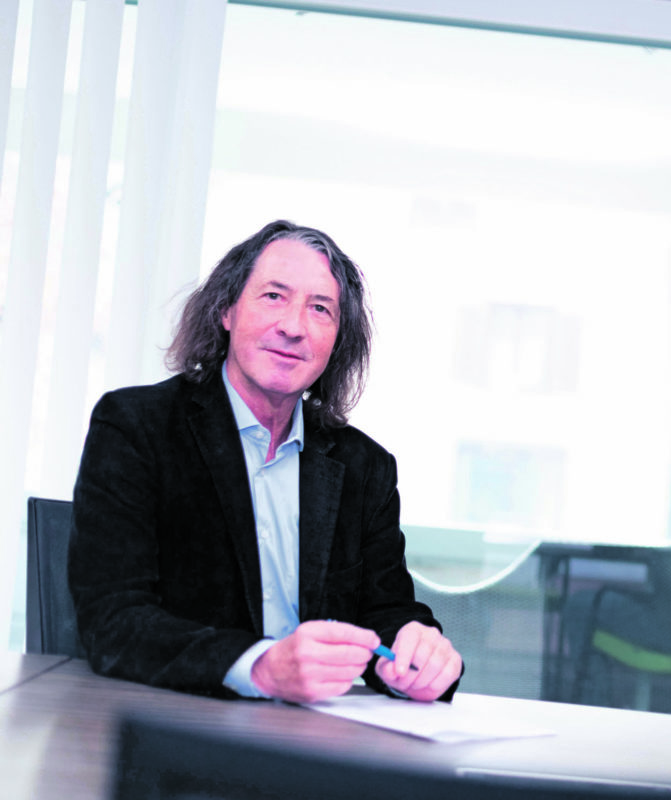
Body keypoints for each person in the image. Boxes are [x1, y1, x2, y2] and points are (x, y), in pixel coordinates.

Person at [69, 220, 463, 704]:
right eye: (274, 296)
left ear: (337, 340)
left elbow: (385, 612)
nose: (294, 327)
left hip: (318, 732)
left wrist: (416, 648)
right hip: (176, 720)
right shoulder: (137, 427)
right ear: (226, 310)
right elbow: (113, 620)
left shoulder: (365, 467)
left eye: (320, 309)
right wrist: (261, 667)